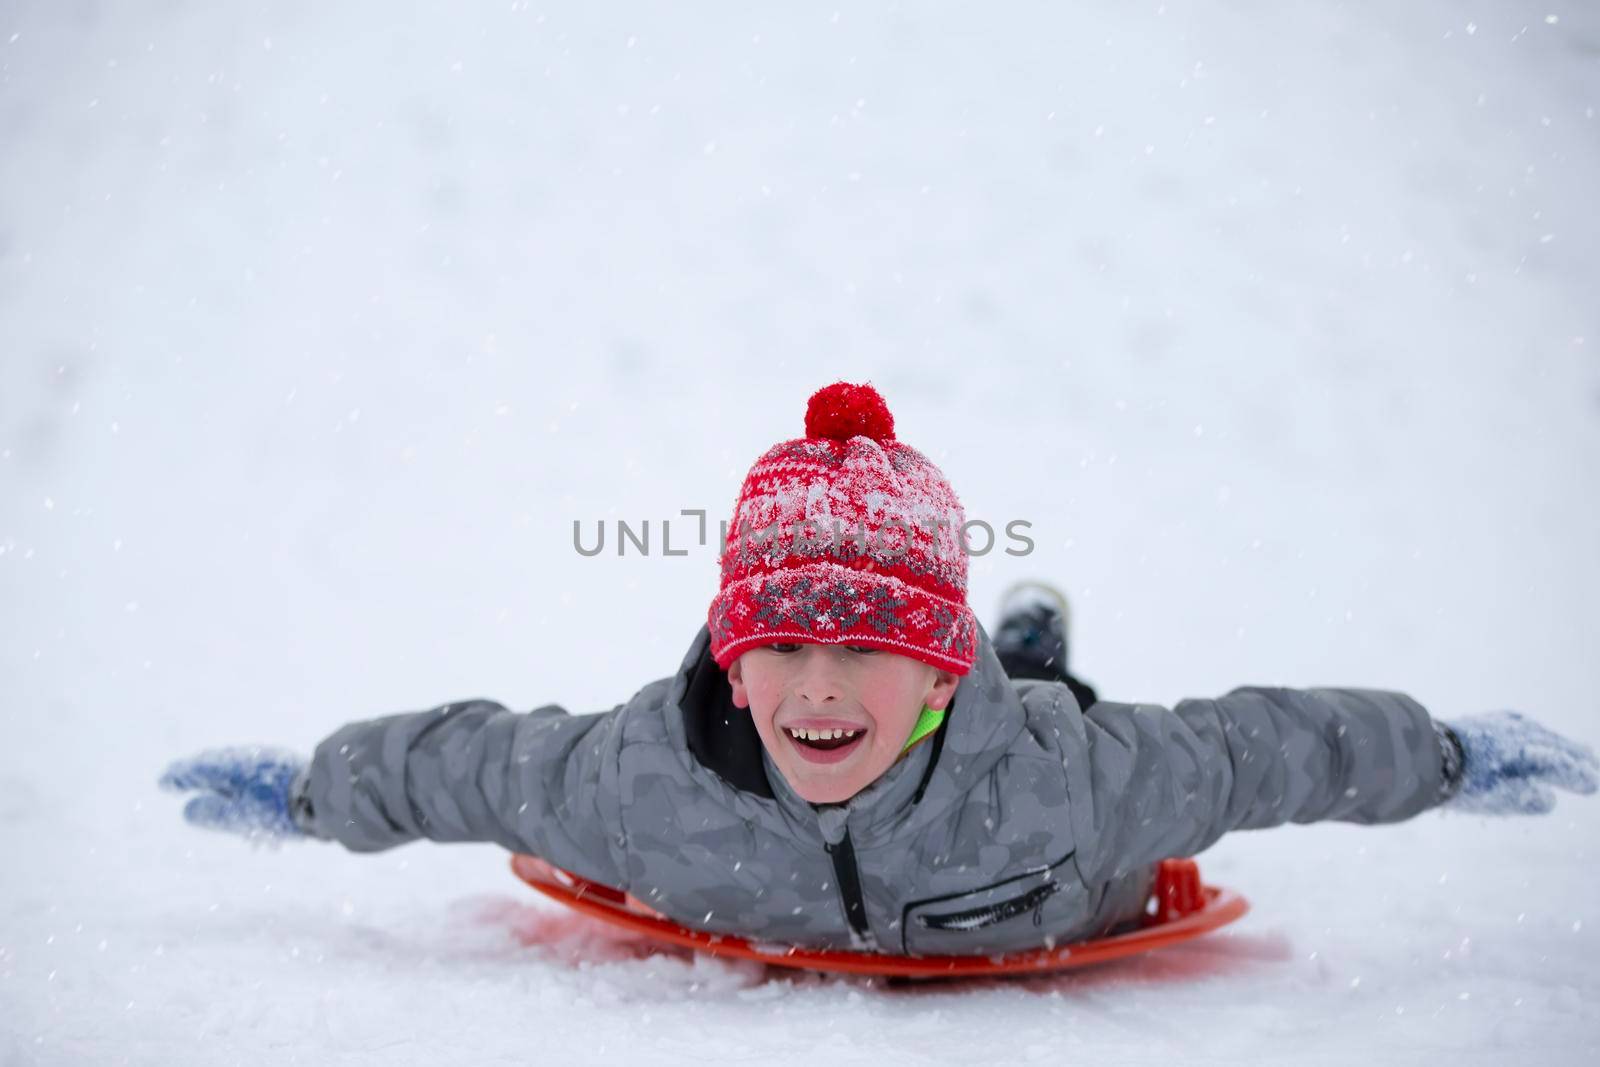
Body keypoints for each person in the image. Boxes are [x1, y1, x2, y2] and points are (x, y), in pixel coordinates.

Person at [159, 381, 1598, 957]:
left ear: (931, 666)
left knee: (1061, 702)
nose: (818, 687)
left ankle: (1029, 653)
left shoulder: (1065, 783)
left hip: (1018, 739)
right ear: (733, 659)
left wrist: (1448, 755)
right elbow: (474, 763)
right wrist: (310, 791)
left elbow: (1258, 748)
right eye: (780, 645)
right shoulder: (641, 782)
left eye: (868, 647)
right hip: (969, 720)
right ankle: (1021, 648)